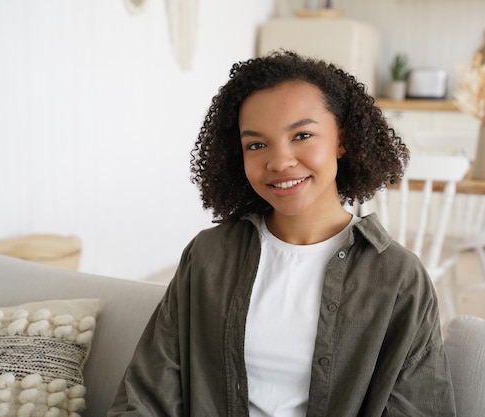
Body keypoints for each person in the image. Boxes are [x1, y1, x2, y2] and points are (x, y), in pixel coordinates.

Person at [108, 50, 456, 417]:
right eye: (256, 145)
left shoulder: (398, 278)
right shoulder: (208, 256)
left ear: (342, 139)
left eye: (302, 134)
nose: (279, 162)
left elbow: (420, 406)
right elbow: (145, 394)